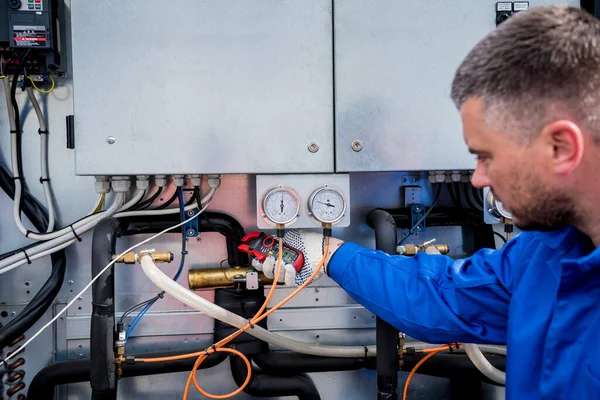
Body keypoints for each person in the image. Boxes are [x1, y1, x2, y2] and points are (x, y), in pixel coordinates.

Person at [254, 5, 600, 399]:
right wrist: (331, 254)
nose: (478, 179)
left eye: (487, 156)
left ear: (561, 147)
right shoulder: (547, 254)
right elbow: (445, 296)